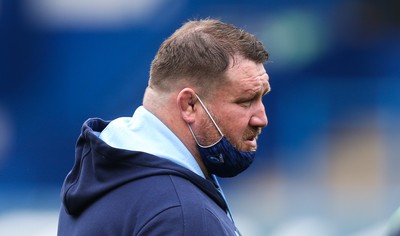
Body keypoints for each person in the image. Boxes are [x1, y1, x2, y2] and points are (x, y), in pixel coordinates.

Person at [57, 18, 271, 236]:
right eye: (245, 101)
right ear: (189, 105)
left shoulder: (103, 175)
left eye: (262, 98)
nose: (261, 118)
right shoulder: (184, 216)